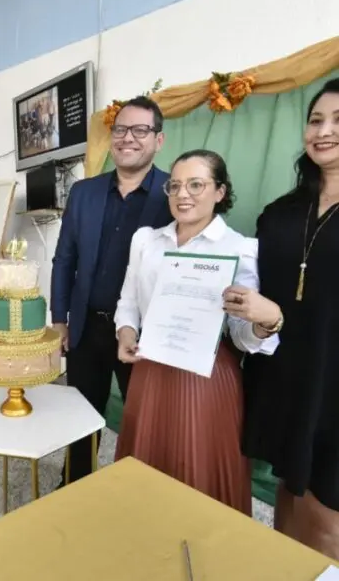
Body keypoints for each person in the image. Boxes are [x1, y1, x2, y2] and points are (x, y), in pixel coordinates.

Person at [114, 150, 282, 513]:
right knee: (145, 467)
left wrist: (261, 322)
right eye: (174, 186)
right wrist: (126, 332)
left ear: (220, 192)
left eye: (196, 184)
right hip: (150, 368)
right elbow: (128, 300)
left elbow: (241, 335)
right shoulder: (146, 241)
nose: (182, 194)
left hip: (206, 378)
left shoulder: (240, 249)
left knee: (199, 473)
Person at [51, 95, 173, 483]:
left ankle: (136, 491)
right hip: (86, 325)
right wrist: (59, 319)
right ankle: (76, 483)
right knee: (81, 416)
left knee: (146, 422)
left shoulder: (175, 194)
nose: (127, 138)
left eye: (140, 130)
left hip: (143, 333)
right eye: (120, 129)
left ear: (159, 140)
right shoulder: (84, 192)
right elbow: (64, 260)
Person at [241, 78, 339, 558]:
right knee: (287, 498)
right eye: (316, 120)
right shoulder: (280, 213)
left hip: (335, 384)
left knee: (326, 518)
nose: (324, 131)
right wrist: (258, 321)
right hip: (283, 377)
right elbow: (260, 295)